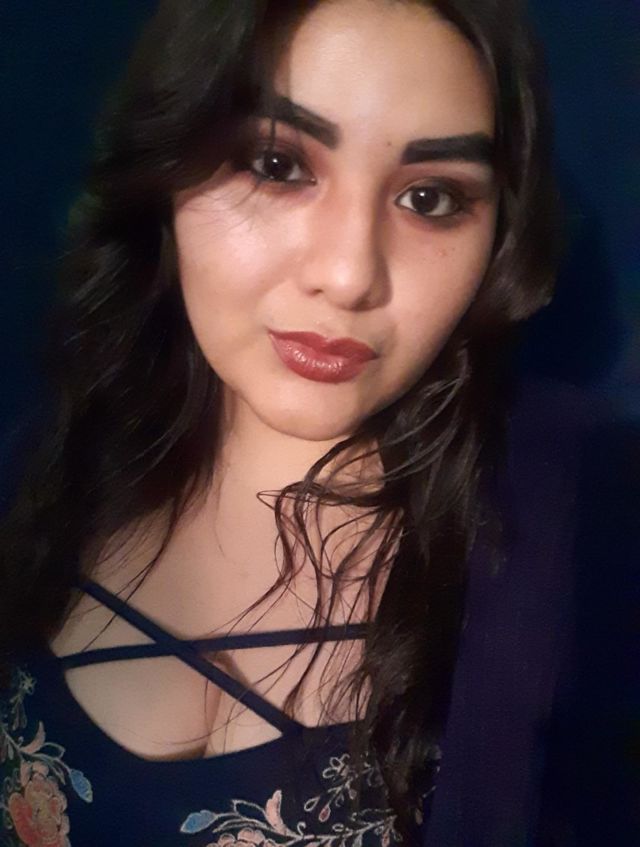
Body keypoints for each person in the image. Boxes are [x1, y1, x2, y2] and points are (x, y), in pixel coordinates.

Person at [0, 1, 570, 845]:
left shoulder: (555, 591)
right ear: (166, 172)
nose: (348, 273)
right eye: (276, 163)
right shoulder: (38, 473)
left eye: (429, 197)